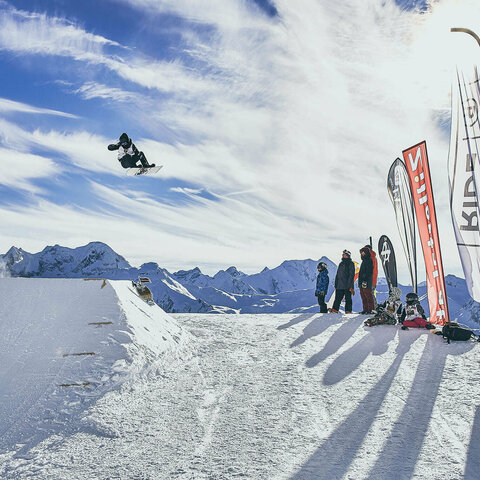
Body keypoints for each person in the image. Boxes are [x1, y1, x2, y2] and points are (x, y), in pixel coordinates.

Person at [330, 250, 355, 314]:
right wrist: (336, 284)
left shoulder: (350, 263)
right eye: (343, 254)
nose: (343, 255)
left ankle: (348, 311)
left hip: (347, 285)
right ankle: (335, 310)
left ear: (347, 255)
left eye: (344, 254)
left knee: (348, 299)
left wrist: (350, 285)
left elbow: (351, 275)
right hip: (340, 285)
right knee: (337, 298)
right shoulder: (341, 263)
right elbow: (337, 274)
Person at [358, 246, 375, 314]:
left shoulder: (369, 260)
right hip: (362, 281)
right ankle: (365, 310)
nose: (362, 254)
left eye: (363, 252)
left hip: (366, 281)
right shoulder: (364, 261)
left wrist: (365, 280)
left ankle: (371, 310)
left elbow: (369, 272)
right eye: (361, 252)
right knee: (363, 296)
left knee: (368, 296)